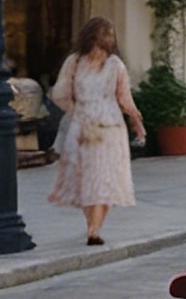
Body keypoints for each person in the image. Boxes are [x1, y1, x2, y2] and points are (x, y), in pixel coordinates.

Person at [47, 17, 146, 245]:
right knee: (88, 181)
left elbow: (124, 98)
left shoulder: (112, 65)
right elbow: (61, 94)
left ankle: (94, 229)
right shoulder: (78, 62)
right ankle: (92, 226)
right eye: (98, 44)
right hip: (86, 128)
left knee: (103, 179)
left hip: (106, 129)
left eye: (103, 45)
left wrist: (136, 121)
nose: (99, 50)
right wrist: (76, 112)